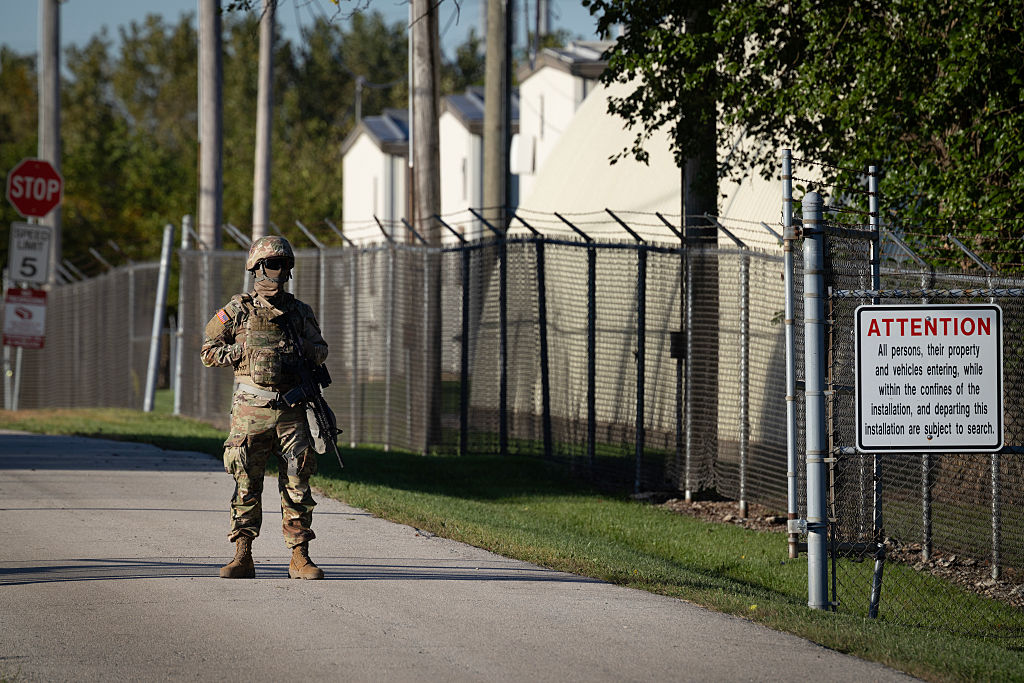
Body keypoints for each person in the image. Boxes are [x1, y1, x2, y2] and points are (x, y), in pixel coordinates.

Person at [201, 235, 329, 580]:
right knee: (246, 480)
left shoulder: (300, 312)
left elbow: (321, 349)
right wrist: (241, 352)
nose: (279, 270)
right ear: (257, 268)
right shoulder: (238, 309)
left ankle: (299, 556)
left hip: (291, 410)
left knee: (298, 481)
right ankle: (242, 554)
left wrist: (300, 350)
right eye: (273, 264)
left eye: (284, 264)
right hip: (250, 410)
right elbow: (208, 350)